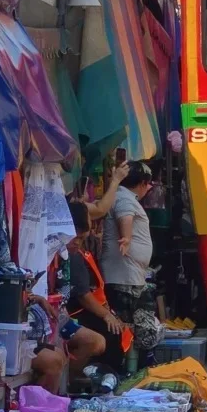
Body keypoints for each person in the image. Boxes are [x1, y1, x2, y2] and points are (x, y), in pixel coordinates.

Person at [64, 200, 131, 375]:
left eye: (81, 238)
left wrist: (107, 312)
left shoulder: (78, 254)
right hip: (71, 312)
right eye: (77, 237)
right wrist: (106, 315)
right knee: (109, 330)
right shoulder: (68, 255)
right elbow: (82, 295)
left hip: (78, 309)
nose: (78, 242)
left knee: (116, 327)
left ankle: (110, 377)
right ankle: (87, 377)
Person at [100, 160, 155, 325]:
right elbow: (125, 216)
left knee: (138, 329)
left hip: (130, 276)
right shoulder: (124, 197)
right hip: (123, 278)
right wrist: (127, 237)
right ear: (143, 183)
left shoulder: (125, 196)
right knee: (127, 328)